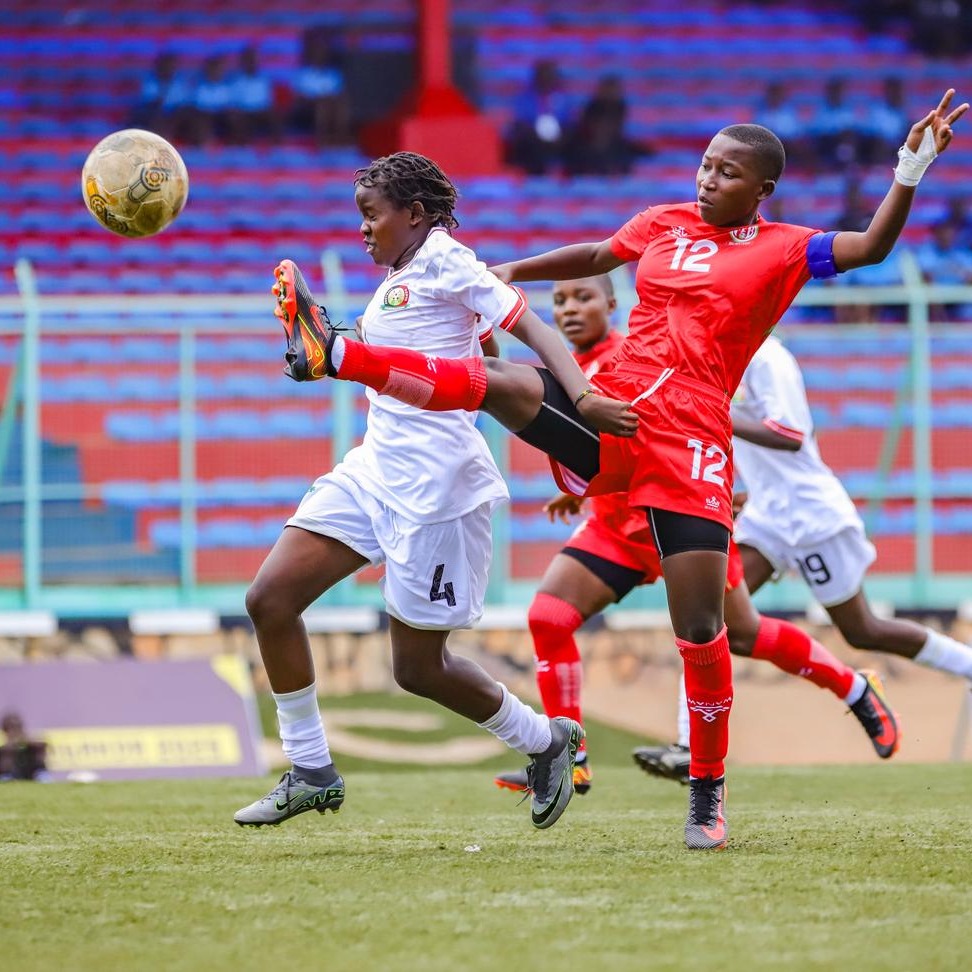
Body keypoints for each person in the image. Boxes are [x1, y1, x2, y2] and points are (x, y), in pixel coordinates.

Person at [273, 89, 967, 850]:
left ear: (761, 190)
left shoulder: (786, 248)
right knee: (505, 386)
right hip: (615, 406)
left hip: (692, 436)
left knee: (703, 629)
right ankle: (339, 353)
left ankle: (707, 793)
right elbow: (599, 257)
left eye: (727, 172)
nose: (707, 179)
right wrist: (507, 271)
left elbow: (870, 248)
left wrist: (911, 166)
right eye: (705, 164)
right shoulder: (665, 222)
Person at [236, 151, 615, 831]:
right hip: (374, 469)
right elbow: (424, 354)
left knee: (417, 669)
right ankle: (311, 769)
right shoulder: (395, 278)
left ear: (414, 214)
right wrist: (319, 355)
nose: (362, 228)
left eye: (370, 214)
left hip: (437, 490)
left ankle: (545, 740)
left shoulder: (448, 259)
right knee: (269, 599)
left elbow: (529, 328)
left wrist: (581, 396)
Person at [487, 278, 899, 797]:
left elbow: (681, 429)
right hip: (617, 528)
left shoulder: (632, 356)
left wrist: (723, 490)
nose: (570, 309)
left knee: (742, 634)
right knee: (549, 616)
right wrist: (580, 486)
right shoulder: (572, 369)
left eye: (583, 298)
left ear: (612, 305)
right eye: (561, 301)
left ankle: (856, 688)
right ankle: (570, 757)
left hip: (678, 518)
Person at [635, 332, 972, 782]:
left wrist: (713, 413)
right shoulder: (719, 355)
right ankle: (686, 744)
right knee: (707, 617)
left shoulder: (769, 358)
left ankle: (962, 666)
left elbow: (789, 435)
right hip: (763, 514)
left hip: (811, 515)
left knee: (861, 629)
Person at [505, 59, 572, 175]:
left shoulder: (563, 98)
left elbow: (569, 122)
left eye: (549, 75)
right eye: (543, 74)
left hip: (559, 141)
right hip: (532, 139)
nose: (546, 78)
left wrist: (559, 136)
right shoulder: (524, 98)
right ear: (536, 77)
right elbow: (521, 122)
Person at [0, 711, 49, 781]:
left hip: (34, 774)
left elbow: (43, 745)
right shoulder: (4, 750)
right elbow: (5, 769)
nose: (15, 731)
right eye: (11, 728)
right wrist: (13, 746)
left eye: (17, 727)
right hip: (10, 777)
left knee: (44, 777)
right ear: (5, 731)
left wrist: (24, 741)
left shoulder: (31, 745)